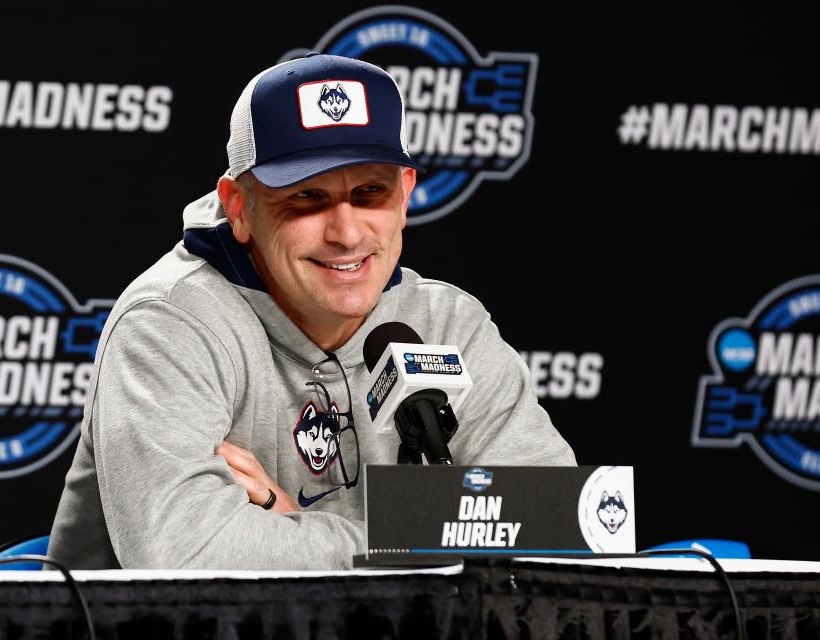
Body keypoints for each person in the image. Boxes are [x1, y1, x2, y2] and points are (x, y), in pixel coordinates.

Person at [47, 53, 575, 570]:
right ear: (238, 206)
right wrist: (420, 543)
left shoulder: (447, 324)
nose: (346, 233)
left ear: (406, 195)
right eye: (306, 198)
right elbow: (183, 555)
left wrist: (289, 519)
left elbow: (556, 525)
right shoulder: (169, 324)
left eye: (370, 192)